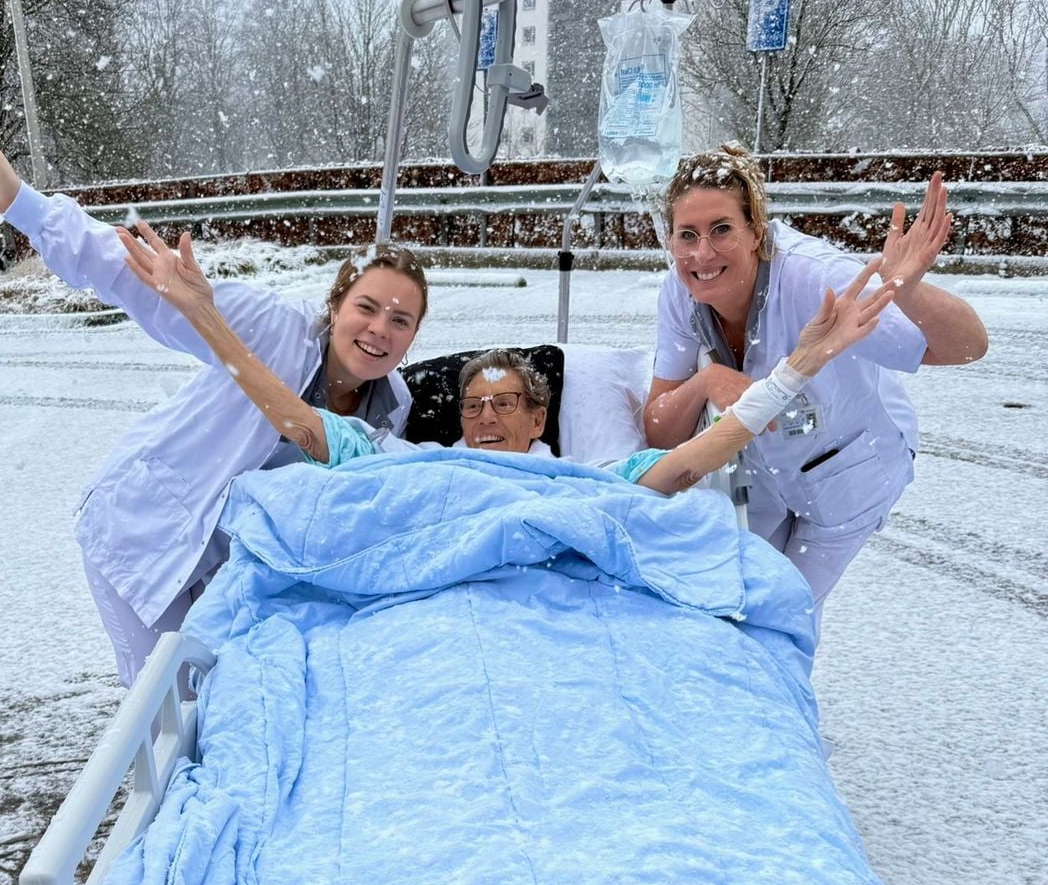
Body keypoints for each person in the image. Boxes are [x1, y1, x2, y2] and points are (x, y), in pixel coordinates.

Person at [0, 122, 428, 684]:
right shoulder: (272, 327)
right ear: (335, 306)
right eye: (367, 308)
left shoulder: (391, 408)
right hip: (144, 531)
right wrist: (22, 203)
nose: (379, 329)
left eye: (400, 320)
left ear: (413, 336)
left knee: (215, 701)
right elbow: (131, 274)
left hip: (228, 570)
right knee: (163, 701)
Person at [113, 218, 898, 500]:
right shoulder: (403, 460)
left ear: (539, 418)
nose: (486, 415)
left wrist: (795, 370)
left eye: (505, 402)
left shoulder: (582, 480)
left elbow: (689, 460)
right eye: (474, 404)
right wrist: (205, 318)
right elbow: (292, 416)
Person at [644, 144, 988, 619]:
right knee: (722, 607)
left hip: (849, 473)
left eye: (721, 229)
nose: (702, 253)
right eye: (687, 235)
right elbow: (659, 430)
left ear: (755, 232)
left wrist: (906, 290)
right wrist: (706, 382)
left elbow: (966, 347)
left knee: (778, 618)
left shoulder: (816, 280)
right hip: (763, 477)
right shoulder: (681, 294)